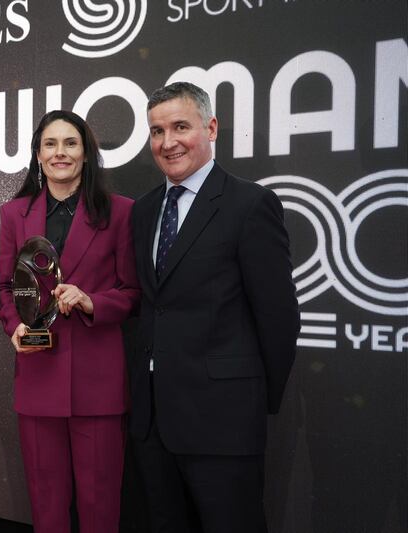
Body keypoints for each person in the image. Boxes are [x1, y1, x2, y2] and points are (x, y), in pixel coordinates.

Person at [129, 81, 300, 533]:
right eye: (157, 131)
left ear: (212, 127)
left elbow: (279, 317)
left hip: (225, 421)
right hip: (154, 423)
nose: (168, 142)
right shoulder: (144, 211)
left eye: (180, 126)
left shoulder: (250, 204)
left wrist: (251, 399)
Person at [0, 110, 141, 533]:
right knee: (46, 506)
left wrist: (91, 301)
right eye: (50, 144)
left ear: (86, 152)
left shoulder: (121, 212)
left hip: (98, 383)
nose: (60, 152)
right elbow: (6, 287)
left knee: (100, 508)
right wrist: (14, 326)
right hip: (38, 375)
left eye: (70, 143)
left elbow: (133, 294)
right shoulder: (13, 214)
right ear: (38, 155)